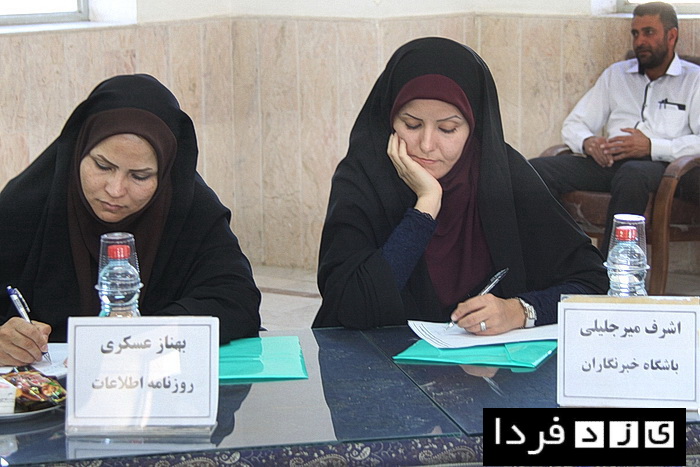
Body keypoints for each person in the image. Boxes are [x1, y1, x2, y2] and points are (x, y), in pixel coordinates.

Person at [313, 37, 608, 334]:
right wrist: (425, 206)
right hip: (375, 359)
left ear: (473, 127)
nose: (427, 145)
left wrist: (520, 310)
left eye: (448, 129)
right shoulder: (363, 179)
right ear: (389, 120)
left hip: (488, 361)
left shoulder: (504, 175)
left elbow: (592, 283)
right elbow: (350, 306)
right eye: (411, 125)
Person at [0, 74, 261, 366]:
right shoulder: (23, 209)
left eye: (140, 176)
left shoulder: (191, 210)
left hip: (161, 383)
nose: (115, 190)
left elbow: (237, 302)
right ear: (78, 151)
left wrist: (137, 340)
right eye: (102, 166)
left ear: (165, 173)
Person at [530, 2, 700, 256]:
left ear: (671, 35)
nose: (640, 41)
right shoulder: (616, 75)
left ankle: (608, 269)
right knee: (536, 169)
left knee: (632, 175)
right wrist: (588, 142)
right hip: (611, 163)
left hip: (662, 167)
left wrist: (652, 146)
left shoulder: (694, 79)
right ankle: (563, 258)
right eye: (635, 33)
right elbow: (575, 123)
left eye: (648, 32)